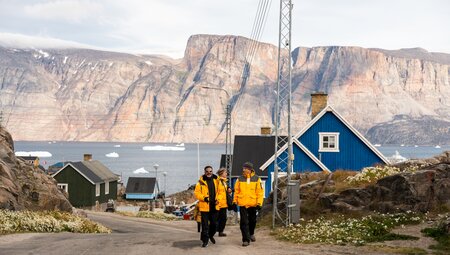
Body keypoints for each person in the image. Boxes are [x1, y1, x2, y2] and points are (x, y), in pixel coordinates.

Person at [233, 162, 264, 247]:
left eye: (245, 168)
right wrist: (234, 202)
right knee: (243, 222)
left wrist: (259, 203)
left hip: (253, 204)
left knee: (252, 221)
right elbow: (236, 191)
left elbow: (260, 193)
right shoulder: (239, 179)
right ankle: (245, 240)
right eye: (243, 168)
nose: (243, 170)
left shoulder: (257, 179)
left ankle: (251, 233)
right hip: (242, 204)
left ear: (250, 169)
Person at [194, 165, 222, 247]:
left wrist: (218, 199)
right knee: (205, 226)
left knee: (214, 225)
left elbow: (220, 192)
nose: (209, 173)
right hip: (204, 207)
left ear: (212, 172)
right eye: (207, 171)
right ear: (204, 172)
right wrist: (204, 198)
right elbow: (197, 193)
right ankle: (205, 241)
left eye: (210, 171)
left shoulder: (217, 180)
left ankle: (210, 235)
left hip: (215, 206)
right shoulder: (200, 182)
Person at [216, 167, 229, 237]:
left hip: (224, 203)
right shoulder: (217, 181)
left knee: (224, 218)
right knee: (216, 219)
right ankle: (211, 231)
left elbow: (224, 191)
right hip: (218, 203)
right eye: (225, 172)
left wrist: (229, 189)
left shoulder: (224, 182)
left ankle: (221, 231)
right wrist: (217, 200)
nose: (226, 174)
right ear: (221, 173)